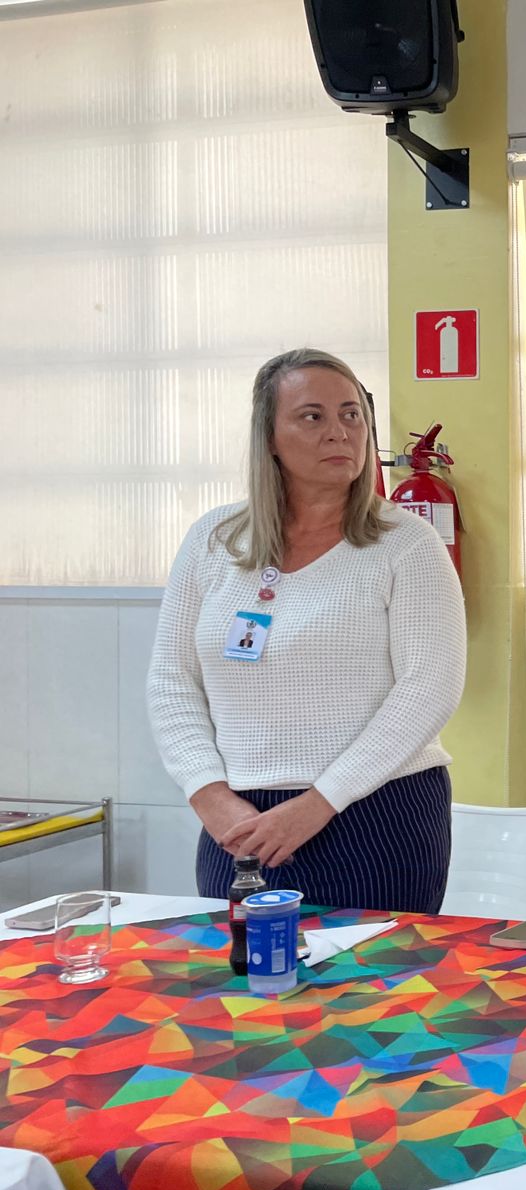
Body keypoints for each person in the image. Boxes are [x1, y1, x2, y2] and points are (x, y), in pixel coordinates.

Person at [147, 348, 467, 913]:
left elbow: (428, 690)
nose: (339, 432)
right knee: (240, 970)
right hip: (240, 823)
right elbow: (172, 682)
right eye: (312, 416)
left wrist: (319, 802)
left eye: (351, 414)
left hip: (375, 816)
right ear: (269, 437)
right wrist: (209, 795)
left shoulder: (407, 543)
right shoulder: (213, 540)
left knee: (370, 974)